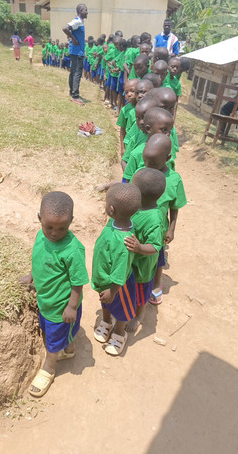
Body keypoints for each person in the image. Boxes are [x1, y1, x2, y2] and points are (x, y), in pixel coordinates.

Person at [28, 191, 89, 398]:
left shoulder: (73, 250)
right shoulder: (40, 236)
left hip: (61, 306)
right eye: (49, 227)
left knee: (52, 339)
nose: (54, 233)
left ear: (71, 221)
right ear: (40, 219)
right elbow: (38, 258)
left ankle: (49, 367)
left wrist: (71, 306)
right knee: (52, 332)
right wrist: (32, 276)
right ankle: (69, 349)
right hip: (46, 301)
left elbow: (78, 282)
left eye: (62, 228)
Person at [92, 183, 141, 356]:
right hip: (105, 278)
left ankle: (120, 332)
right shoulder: (116, 223)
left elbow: (120, 270)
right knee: (105, 302)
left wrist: (113, 290)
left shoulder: (123, 242)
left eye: (106, 203)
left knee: (121, 309)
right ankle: (106, 322)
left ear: (111, 209)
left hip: (119, 284)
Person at [140, 135, 187, 306]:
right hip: (139, 226)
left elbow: (174, 207)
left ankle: (156, 282)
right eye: (145, 161)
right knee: (137, 256)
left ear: (167, 158)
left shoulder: (174, 180)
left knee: (158, 258)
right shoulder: (141, 173)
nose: (147, 166)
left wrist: (171, 229)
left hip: (158, 230)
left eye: (152, 163)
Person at [124, 168, 166, 331]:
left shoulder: (154, 218)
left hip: (143, 267)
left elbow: (156, 246)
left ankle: (138, 315)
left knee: (141, 293)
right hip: (131, 261)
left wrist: (140, 247)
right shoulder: (136, 207)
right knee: (128, 286)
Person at [62, 3, 88, 104]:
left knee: (73, 72)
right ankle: (75, 95)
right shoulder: (77, 21)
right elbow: (65, 28)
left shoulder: (80, 22)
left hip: (76, 51)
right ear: (80, 11)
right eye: (85, 10)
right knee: (77, 73)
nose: (87, 12)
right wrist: (74, 39)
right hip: (77, 52)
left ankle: (72, 92)